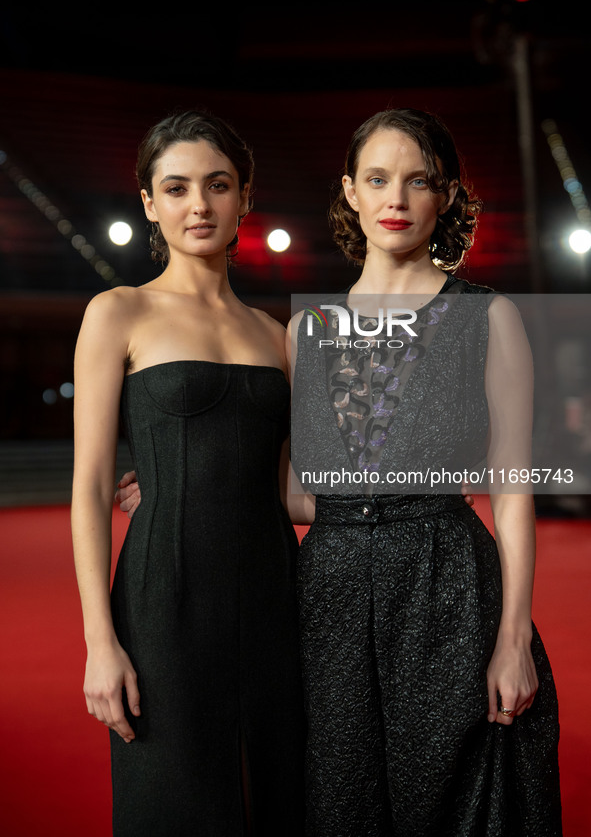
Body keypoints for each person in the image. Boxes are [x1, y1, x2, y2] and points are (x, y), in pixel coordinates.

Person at [288, 108, 562, 836]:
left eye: (417, 181)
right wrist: (184, 484)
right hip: (330, 598)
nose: (396, 199)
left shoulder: (487, 316)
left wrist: (511, 640)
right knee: (340, 800)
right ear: (349, 190)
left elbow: (511, 489)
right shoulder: (306, 329)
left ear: (444, 196)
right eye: (377, 178)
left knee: (451, 800)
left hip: (448, 587)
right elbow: (298, 492)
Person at [71, 110, 305, 837]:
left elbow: (294, 490)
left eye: (217, 185)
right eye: (175, 188)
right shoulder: (119, 311)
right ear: (149, 201)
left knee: (279, 795)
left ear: (244, 198)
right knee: (171, 803)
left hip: (275, 594)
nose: (197, 205)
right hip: (161, 598)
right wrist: (101, 643)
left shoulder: (277, 333)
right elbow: (87, 487)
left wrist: (419, 481)